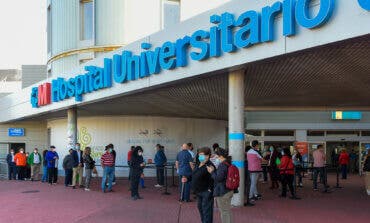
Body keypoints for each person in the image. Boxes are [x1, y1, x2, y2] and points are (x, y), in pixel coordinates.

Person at [207, 148, 233, 223]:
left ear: (221, 156)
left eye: (216, 156)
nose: (215, 158)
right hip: (228, 190)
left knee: (224, 212)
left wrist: (211, 172)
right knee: (227, 210)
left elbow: (218, 178)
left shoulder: (222, 165)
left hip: (223, 191)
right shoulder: (228, 163)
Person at [192, 147, 215, 223]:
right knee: (201, 208)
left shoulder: (209, 166)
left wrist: (210, 190)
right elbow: (195, 174)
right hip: (198, 191)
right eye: (199, 155)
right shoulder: (199, 164)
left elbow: (213, 178)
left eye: (202, 155)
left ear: (208, 156)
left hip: (206, 192)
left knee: (206, 211)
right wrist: (187, 178)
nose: (200, 156)